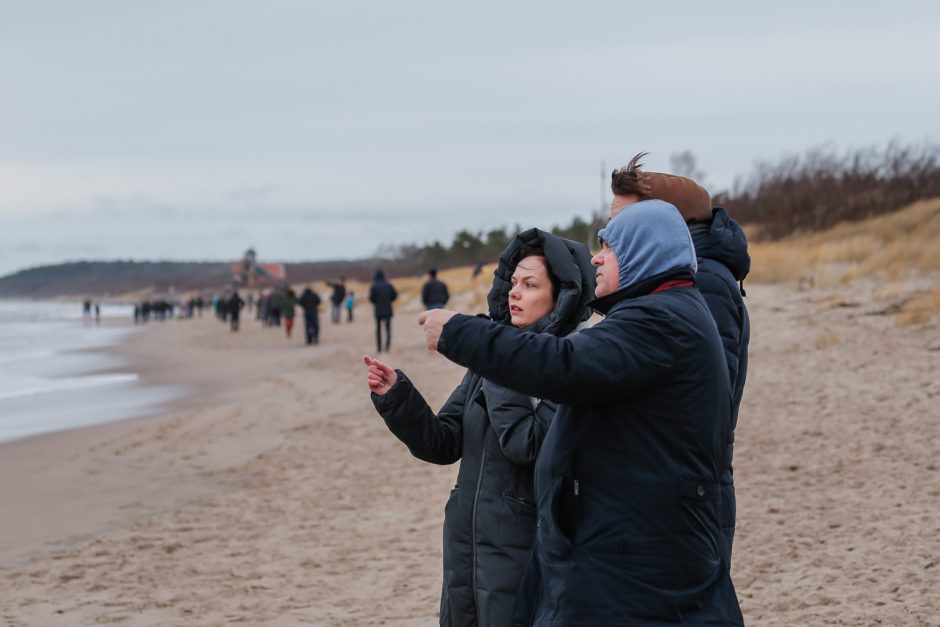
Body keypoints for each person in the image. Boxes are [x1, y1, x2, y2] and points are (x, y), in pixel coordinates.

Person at [419, 202, 744, 625]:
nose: (596, 258)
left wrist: (459, 332)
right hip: (625, 542)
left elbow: (561, 365)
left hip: (643, 550)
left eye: (608, 249)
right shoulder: (656, 313)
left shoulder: (659, 319)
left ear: (642, 254)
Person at [365, 230, 595, 626]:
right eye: (513, 282)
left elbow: (529, 445)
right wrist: (398, 398)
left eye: (530, 284)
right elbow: (442, 442)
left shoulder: (568, 363)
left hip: (523, 549)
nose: (514, 293)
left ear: (562, 297)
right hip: (464, 544)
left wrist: (500, 362)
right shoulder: (489, 358)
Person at [609, 153, 751, 568]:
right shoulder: (669, 279)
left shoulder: (703, 281)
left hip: (686, 493)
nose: (611, 232)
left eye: (622, 221)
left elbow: (707, 400)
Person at [368, 270, 397, 353]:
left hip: (378, 310)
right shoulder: (388, 285)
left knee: (378, 329)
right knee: (388, 329)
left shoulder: (373, 286)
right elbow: (395, 295)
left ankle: (379, 348)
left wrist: (377, 303)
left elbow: (371, 298)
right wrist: (389, 300)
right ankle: (387, 346)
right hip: (388, 309)